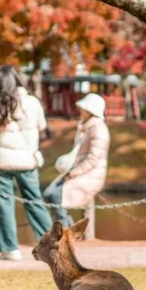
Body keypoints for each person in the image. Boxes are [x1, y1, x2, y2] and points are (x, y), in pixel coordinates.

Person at [0, 66, 53, 260]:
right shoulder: (33, 103)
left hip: (1, 162)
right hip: (28, 160)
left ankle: (10, 249)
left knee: (3, 203)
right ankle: (52, 247)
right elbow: (42, 127)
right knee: (35, 201)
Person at [44, 93, 111, 227]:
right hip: (78, 171)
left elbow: (92, 160)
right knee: (49, 193)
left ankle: (66, 227)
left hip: (90, 174)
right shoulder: (86, 127)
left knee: (55, 195)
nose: (80, 110)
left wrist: (74, 173)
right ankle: (66, 225)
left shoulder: (98, 130)